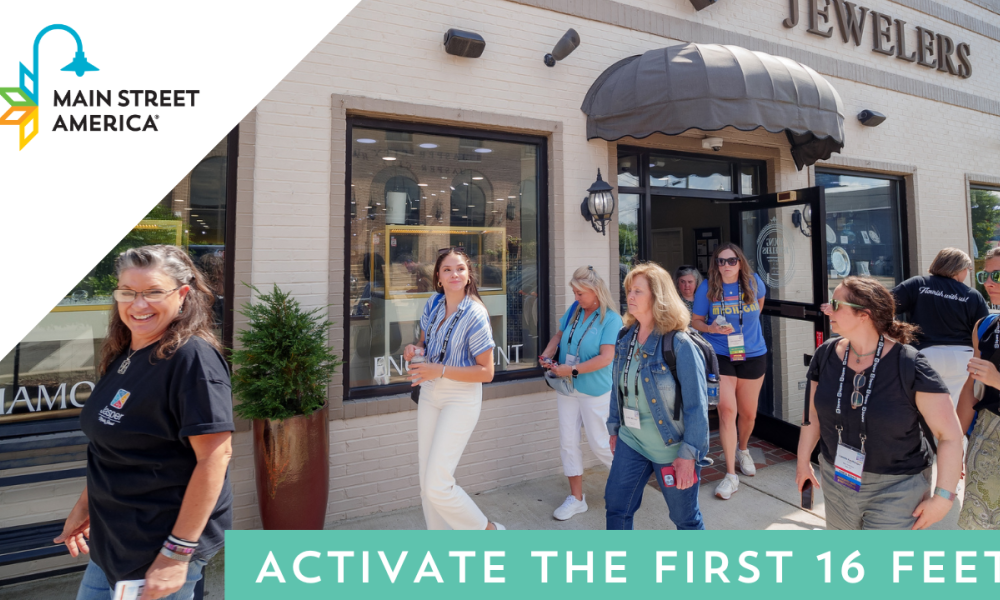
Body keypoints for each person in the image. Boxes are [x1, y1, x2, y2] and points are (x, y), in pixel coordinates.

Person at [55, 245, 234, 600]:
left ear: (182, 295)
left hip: (158, 548)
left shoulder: (192, 360)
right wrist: (84, 507)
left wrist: (176, 553)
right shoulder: (126, 351)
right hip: (112, 544)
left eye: (153, 292)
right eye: (127, 292)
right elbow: (114, 447)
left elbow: (215, 457)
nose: (138, 305)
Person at [797, 277, 963, 530]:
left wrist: (943, 498)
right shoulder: (826, 354)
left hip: (897, 487)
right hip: (837, 478)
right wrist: (802, 463)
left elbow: (949, 435)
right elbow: (812, 416)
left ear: (864, 315)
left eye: (835, 303)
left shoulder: (910, 365)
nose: (828, 308)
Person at [402, 247, 504, 530]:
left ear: (469, 274)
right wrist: (414, 349)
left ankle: (489, 532)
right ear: (438, 277)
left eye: (460, 268)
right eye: (447, 269)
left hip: (460, 397)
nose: (454, 274)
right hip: (430, 392)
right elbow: (423, 343)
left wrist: (442, 370)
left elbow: (487, 372)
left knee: (438, 484)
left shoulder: (475, 313)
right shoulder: (433, 304)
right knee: (426, 483)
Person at [605, 263, 710, 530]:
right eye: (629, 290)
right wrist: (615, 427)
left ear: (658, 296)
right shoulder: (625, 337)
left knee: (685, 520)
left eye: (638, 291)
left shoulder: (680, 344)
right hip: (632, 441)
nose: (630, 296)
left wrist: (689, 455)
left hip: (671, 448)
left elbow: (697, 407)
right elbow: (618, 387)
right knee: (616, 508)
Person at [539, 266, 623, 520]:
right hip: (567, 389)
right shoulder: (575, 310)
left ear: (596, 291)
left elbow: (606, 358)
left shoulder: (611, 319)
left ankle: (628, 484)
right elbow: (559, 335)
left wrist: (572, 370)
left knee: (600, 444)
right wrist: (548, 353)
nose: (576, 297)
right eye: (574, 292)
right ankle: (576, 499)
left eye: (580, 293)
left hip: (594, 390)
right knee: (568, 442)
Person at [690, 243, 767, 500]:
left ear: (740, 262)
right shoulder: (707, 288)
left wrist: (744, 327)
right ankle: (731, 475)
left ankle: (743, 449)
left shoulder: (754, 282)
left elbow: (759, 306)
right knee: (727, 411)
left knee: (748, 414)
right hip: (721, 355)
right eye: (720, 261)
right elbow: (696, 320)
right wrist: (712, 329)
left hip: (753, 354)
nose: (725, 266)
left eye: (731, 261)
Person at [892, 248, 988, 404]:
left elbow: (884, 306)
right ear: (959, 269)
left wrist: (893, 331)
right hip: (963, 358)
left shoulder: (918, 284)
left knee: (921, 408)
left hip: (925, 354)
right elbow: (984, 331)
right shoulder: (972, 295)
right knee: (954, 411)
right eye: (967, 269)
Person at [957, 246, 1000, 530]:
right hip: (986, 438)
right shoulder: (985, 326)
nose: (988, 281)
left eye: (997, 274)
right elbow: (970, 391)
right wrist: (955, 443)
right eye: (985, 274)